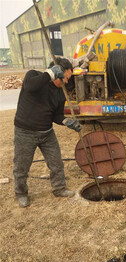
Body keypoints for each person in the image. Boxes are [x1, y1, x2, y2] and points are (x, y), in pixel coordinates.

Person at [13, 57, 82, 207]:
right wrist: (48, 74)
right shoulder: (34, 76)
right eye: (66, 77)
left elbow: (56, 115)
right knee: (21, 165)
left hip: (46, 133)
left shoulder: (60, 93)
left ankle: (59, 188)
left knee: (56, 163)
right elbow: (30, 87)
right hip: (25, 132)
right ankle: (21, 193)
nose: (67, 82)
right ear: (57, 72)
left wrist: (66, 121)